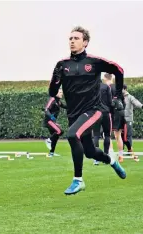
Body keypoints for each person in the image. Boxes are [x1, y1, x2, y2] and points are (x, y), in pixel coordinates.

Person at [48, 26, 126, 196]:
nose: (72, 41)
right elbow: (52, 93)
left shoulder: (94, 62)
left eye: (76, 38)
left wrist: (117, 97)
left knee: (71, 135)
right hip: (74, 114)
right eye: (70, 38)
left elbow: (119, 70)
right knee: (90, 152)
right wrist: (55, 79)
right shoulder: (62, 65)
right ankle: (111, 160)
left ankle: (78, 180)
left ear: (85, 42)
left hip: (94, 110)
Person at [92, 78, 113, 165]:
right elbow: (110, 101)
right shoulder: (106, 87)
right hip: (105, 113)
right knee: (107, 135)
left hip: (96, 113)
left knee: (96, 135)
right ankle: (105, 156)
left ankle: (96, 158)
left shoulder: (91, 88)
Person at [121, 84, 142, 161]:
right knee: (121, 135)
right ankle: (121, 151)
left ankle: (130, 151)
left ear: (125, 89)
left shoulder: (130, 97)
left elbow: (136, 102)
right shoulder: (119, 96)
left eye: (122, 88)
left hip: (128, 119)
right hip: (121, 119)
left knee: (128, 135)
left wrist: (141, 106)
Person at [43, 89, 66, 157]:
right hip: (49, 121)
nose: (62, 93)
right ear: (56, 93)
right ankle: (48, 140)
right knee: (60, 131)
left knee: (55, 137)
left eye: (62, 92)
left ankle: (51, 153)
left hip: (52, 121)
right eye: (60, 92)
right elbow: (46, 109)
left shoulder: (58, 101)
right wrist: (51, 117)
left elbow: (65, 106)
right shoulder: (52, 99)